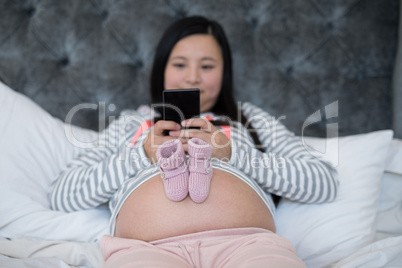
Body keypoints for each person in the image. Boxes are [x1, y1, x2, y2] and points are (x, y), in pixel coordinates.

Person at [49, 15, 338, 267]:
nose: (192, 77)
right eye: (179, 64)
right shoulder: (132, 123)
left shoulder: (249, 119)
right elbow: (62, 193)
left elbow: (324, 182)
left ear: (225, 73)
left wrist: (234, 155)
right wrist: (141, 156)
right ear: (162, 68)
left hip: (250, 245)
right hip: (145, 249)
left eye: (208, 66)